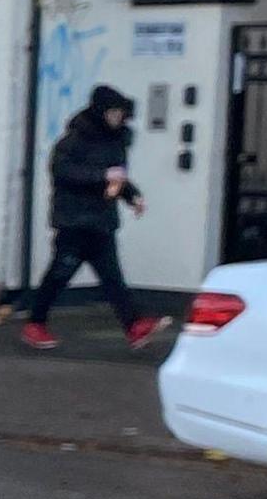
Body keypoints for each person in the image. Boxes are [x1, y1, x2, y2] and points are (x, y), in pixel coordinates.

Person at [21, 84, 168, 350]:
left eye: (120, 113)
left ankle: (134, 326)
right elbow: (63, 172)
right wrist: (102, 177)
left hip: (101, 221)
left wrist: (132, 195)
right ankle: (35, 323)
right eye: (112, 112)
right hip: (74, 221)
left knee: (113, 278)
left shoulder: (116, 142)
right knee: (59, 275)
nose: (117, 118)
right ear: (100, 111)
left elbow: (117, 177)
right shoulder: (73, 141)